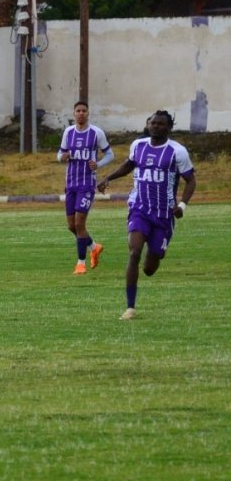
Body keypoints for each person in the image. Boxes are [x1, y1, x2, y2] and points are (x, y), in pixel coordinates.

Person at [97, 110, 197, 321]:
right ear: (148, 124)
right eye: (153, 123)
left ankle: (157, 252)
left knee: (150, 267)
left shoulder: (177, 152)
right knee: (134, 252)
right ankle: (130, 307)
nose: (156, 126)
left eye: (161, 124)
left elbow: (191, 181)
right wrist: (108, 178)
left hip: (163, 214)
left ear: (169, 128)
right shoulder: (138, 145)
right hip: (139, 208)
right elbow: (129, 165)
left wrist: (182, 205)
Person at [57, 101, 114, 275]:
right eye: (78, 111)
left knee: (80, 223)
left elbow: (110, 154)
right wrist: (63, 157)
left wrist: (98, 164)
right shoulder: (68, 132)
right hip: (71, 184)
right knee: (71, 226)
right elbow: (59, 154)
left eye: (84, 111)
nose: (81, 113)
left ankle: (80, 263)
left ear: (88, 113)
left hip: (87, 185)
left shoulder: (96, 133)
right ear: (73, 114)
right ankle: (94, 247)